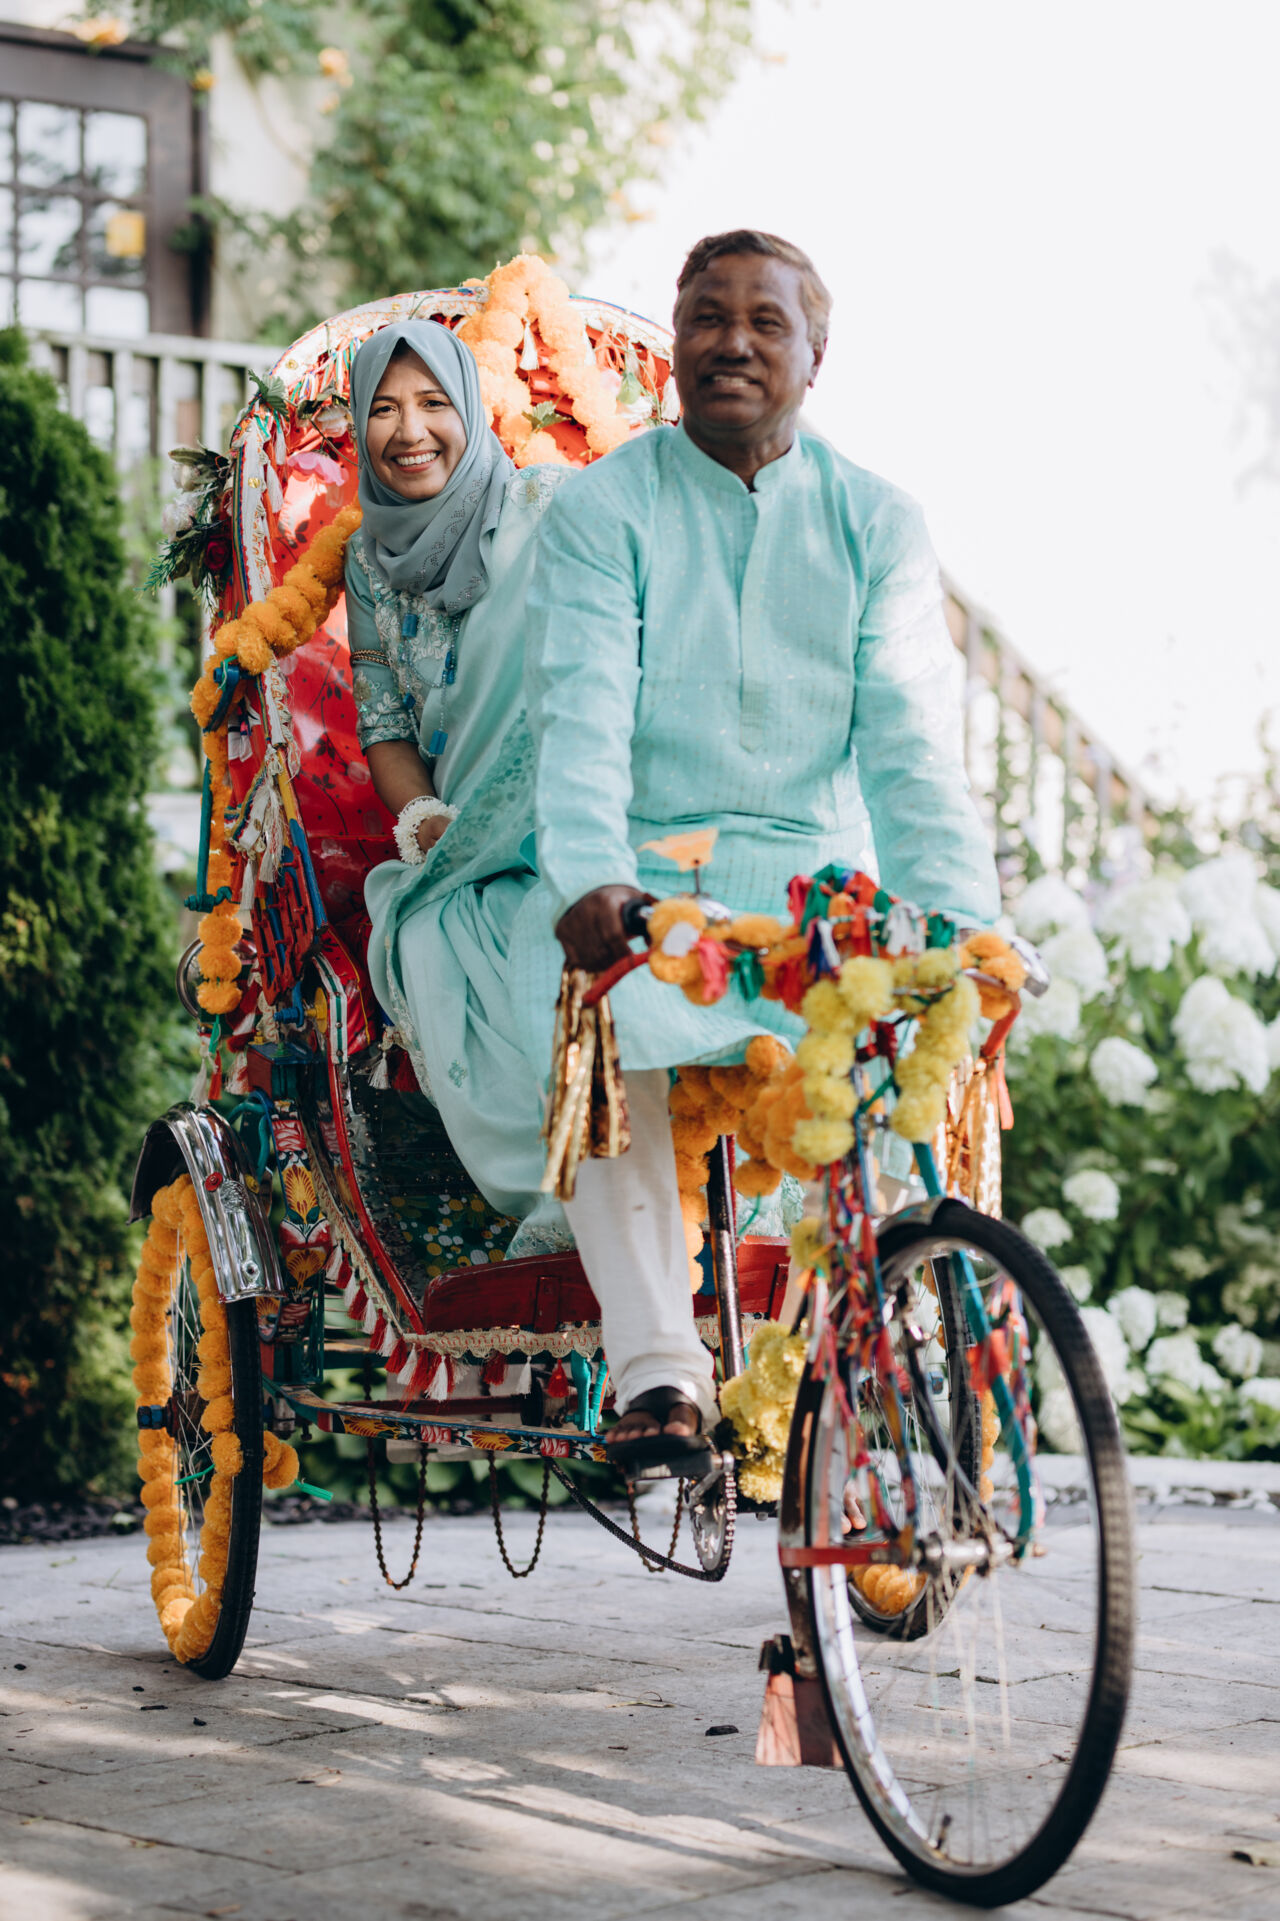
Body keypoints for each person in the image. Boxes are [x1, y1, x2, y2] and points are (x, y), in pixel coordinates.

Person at [510, 230, 1002, 1462]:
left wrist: (961, 925)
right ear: (675, 346)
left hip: (811, 884)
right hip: (643, 880)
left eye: (763, 322)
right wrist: (589, 880)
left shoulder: (875, 522)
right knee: (604, 1026)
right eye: (705, 318)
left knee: (897, 1036)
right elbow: (580, 718)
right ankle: (660, 1382)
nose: (730, 342)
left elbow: (912, 752)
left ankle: (847, 1365)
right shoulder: (602, 507)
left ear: (814, 358)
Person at [347, 319, 570, 1254]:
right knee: (426, 934)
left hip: (577, 813)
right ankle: (556, 1192)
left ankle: (640, 1169)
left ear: (470, 412)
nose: (410, 431)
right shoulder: (367, 562)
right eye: (385, 409)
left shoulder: (550, 506)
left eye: (434, 402)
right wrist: (425, 816)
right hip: (463, 837)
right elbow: (386, 728)